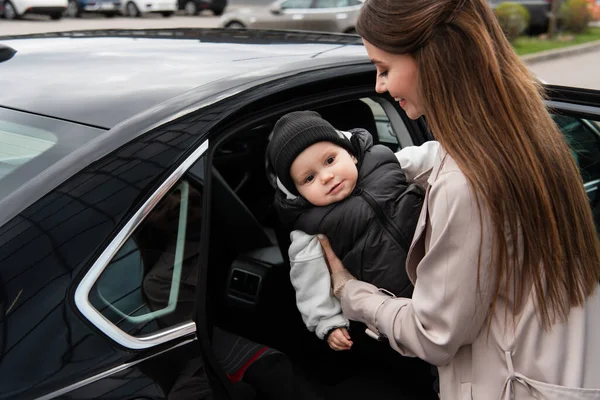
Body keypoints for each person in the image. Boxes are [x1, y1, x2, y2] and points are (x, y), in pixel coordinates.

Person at [316, 0, 600, 399]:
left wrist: (351, 293)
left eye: (384, 69)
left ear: (434, 60)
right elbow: (438, 155)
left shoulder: (464, 185)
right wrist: (372, 165)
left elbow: (433, 335)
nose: (379, 86)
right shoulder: (525, 131)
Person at [267, 110, 436, 351]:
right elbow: (309, 281)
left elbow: (433, 157)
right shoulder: (311, 228)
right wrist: (327, 321)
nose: (327, 176)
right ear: (298, 194)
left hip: (441, 269)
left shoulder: (386, 163)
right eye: (309, 178)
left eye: (329, 160)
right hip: (398, 305)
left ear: (351, 154)